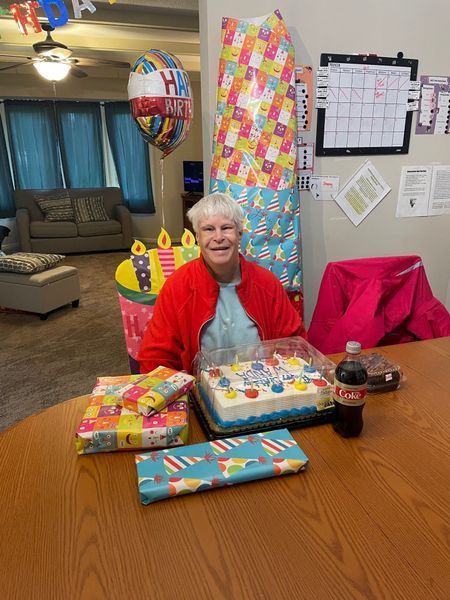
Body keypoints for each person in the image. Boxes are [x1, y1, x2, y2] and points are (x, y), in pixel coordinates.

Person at [138, 192, 306, 373]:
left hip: (261, 389)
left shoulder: (267, 284)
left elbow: (294, 344)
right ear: (198, 238)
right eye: (208, 229)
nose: (218, 237)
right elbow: (155, 361)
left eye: (226, 228)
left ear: (239, 234)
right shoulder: (176, 287)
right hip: (200, 393)